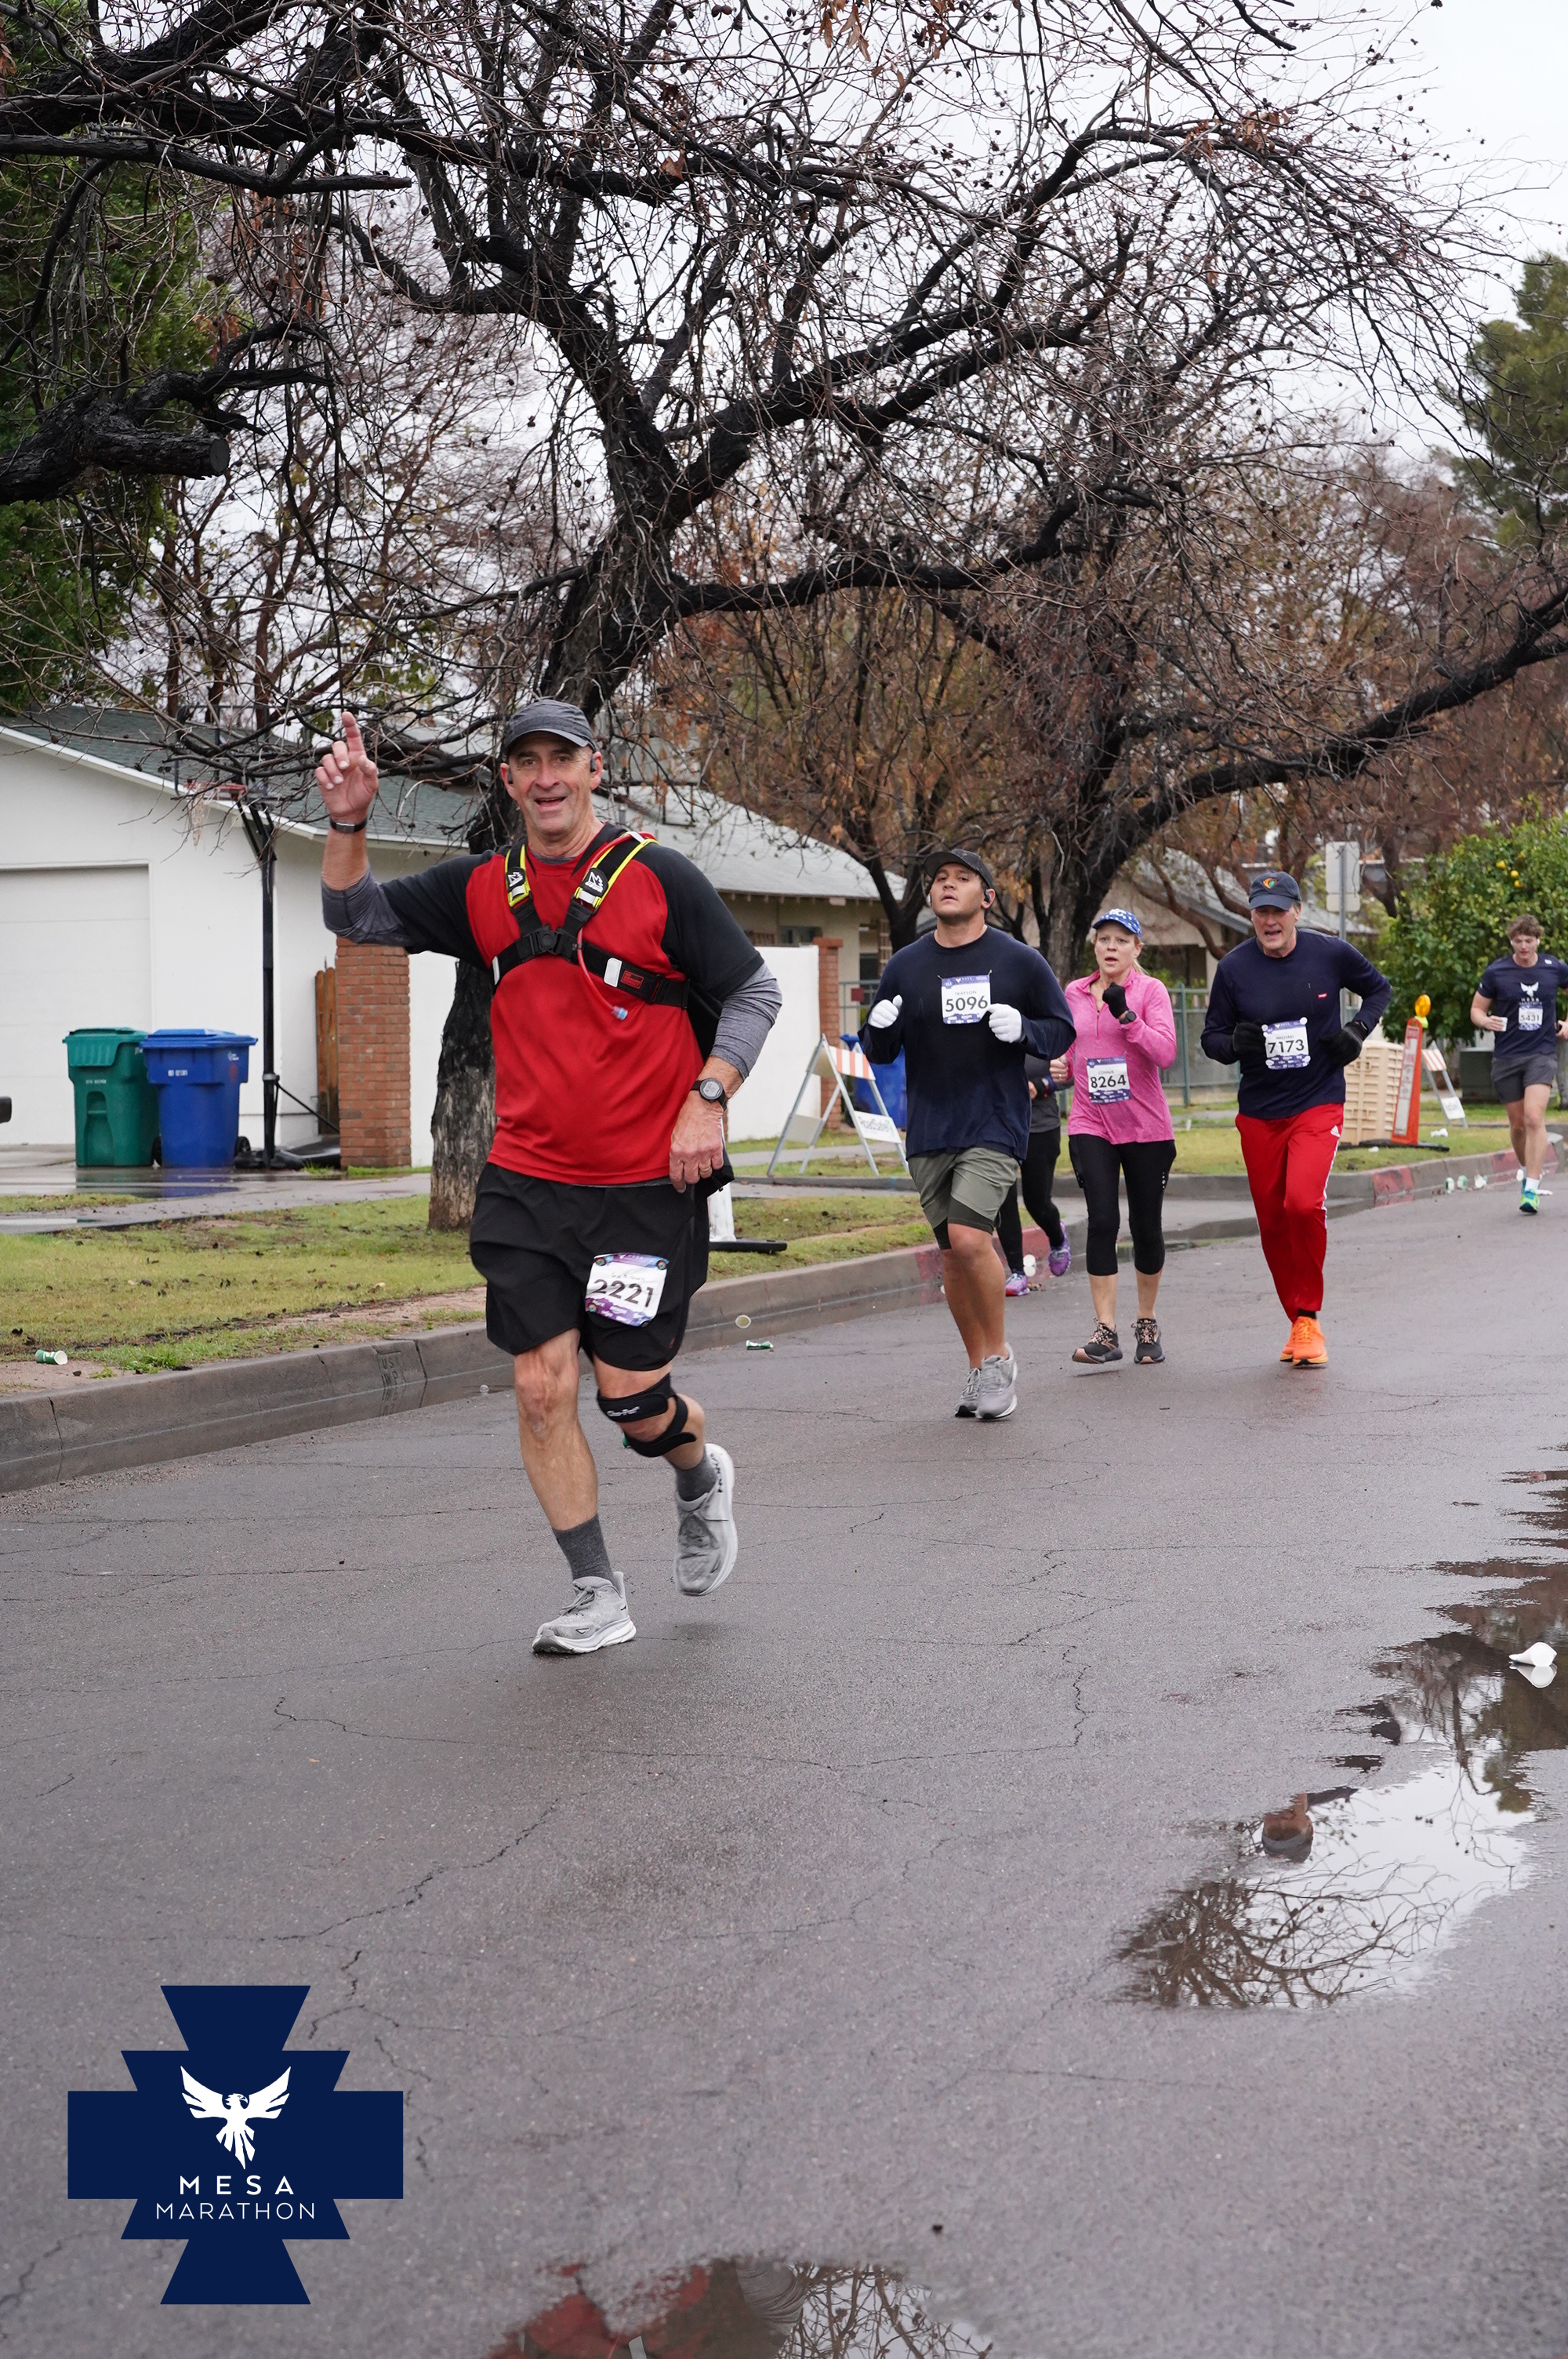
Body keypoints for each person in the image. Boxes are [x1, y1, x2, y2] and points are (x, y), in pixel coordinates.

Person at [314, 701, 781, 1656]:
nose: (544, 776)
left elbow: (752, 989)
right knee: (538, 1385)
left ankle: (697, 1470)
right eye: (525, 761)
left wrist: (708, 1097)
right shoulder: (483, 886)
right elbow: (354, 914)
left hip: (642, 1190)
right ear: (508, 781)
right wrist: (349, 821)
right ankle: (595, 1591)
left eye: (560, 758)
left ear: (593, 768)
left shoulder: (659, 877)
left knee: (631, 1398)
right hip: (527, 1182)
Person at [863, 847, 1074, 1419]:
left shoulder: (1018, 960)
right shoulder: (906, 964)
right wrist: (875, 1029)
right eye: (939, 878)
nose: (948, 885)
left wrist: (1024, 1028)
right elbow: (881, 1049)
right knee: (952, 1255)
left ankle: (1000, 1358)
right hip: (930, 1126)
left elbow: (1060, 1030)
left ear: (988, 896)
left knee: (969, 1238)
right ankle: (979, 1366)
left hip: (995, 1120)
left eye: (962, 877)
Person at [1202, 871, 1391, 1367]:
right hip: (1260, 1111)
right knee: (1272, 1220)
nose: (1270, 921)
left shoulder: (1330, 953)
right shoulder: (1233, 969)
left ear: (1297, 912)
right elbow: (1211, 1037)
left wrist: (1357, 1031)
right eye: (1261, 912)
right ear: (1252, 916)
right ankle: (1297, 1321)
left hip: (1317, 1100)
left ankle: (1308, 1314)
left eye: (1278, 911)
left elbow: (1379, 990)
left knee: (1302, 1204)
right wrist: (1232, 1044)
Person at [1049, 908, 1177, 1366]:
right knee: (1102, 1221)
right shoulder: (1074, 993)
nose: (1110, 947)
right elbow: (1070, 1051)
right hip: (1091, 1123)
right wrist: (1061, 1067)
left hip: (1146, 1127)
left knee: (1146, 1227)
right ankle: (1106, 1330)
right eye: (1104, 938)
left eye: (1121, 940)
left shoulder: (1151, 991)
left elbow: (1166, 1053)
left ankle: (1146, 1320)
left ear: (1137, 948)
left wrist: (1127, 1016)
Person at [1470, 913, 1568, 1214]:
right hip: (1507, 1056)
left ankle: (1532, 1188)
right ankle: (1527, 1171)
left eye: (1528, 940)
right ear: (1511, 942)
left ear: (1538, 940)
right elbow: (1476, 1009)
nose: (1523, 946)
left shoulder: (1554, 968)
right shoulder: (1497, 972)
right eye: (1518, 941)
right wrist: (1486, 1021)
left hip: (1542, 1053)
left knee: (1534, 1117)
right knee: (1518, 1126)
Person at [994, 1059, 1072, 1294]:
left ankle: (1057, 1236)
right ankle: (1017, 1272)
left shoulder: (1045, 1037)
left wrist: (1042, 1085)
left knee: (1037, 1203)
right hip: (998, 1127)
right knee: (1003, 1200)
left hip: (1039, 1126)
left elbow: (1071, 1073)